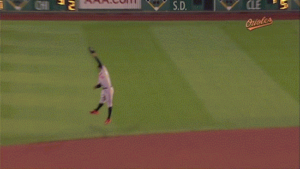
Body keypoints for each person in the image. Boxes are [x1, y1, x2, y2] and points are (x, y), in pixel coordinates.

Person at [88, 47, 114, 125]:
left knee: (109, 104)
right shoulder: (100, 75)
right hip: (104, 90)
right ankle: (96, 110)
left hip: (109, 90)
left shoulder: (104, 70)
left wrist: (93, 53)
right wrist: (96, 86)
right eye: (99, 67)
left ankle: (109, 118)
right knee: (102, 100)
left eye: (99, 67)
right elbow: (100, 84)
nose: (99, 67)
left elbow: (99, 62)